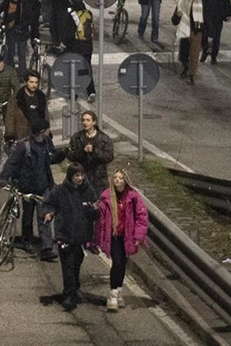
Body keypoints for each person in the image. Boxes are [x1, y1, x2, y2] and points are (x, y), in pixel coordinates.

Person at [0, 116, 60, 260]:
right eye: (47, 129)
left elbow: (52, 157)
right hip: (27, 187)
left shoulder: (47, 142)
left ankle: (46, 248)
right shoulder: (24, 146)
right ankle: (27, 240)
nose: (49, 131)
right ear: (42, 131)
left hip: (43, 186)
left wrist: (64, 155)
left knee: (43, 216)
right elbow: (11, 163)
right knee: (27, 216)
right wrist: (4, 178)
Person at [43, 163, 100, 311]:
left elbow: (95, 212)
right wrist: (48, 214)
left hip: (82, 237)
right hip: (65, 235)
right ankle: (69, 295)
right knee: (67, 266)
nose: (80, 178)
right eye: (76, 175)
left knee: (76, 265)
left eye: (81, 175)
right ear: (70, 176)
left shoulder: (88, 191)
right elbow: (49, 204)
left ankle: (73, 289)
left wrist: (94, 210)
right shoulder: (60, 191)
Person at [96, 168, 150, 312]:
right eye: (115, 178)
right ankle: (113, 294)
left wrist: (138, 236)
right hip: (113, 235)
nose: (117, 180)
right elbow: (100, 220)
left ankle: (118, 291)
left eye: (120, 178)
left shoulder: (133, 197)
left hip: (126, 236)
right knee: (117, 262)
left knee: (122, 264)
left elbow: (141, 217)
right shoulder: (106, 196)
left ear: (125, 180)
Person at [65, 110, 114, 193]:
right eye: (83, 120)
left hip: (99, 180)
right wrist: (82, 152)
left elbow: (109, 156)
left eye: (88, 120)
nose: (85, 123)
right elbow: (70, 155)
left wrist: (94, 151)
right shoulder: (76, 137)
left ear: (94, 122)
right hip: (81, 178)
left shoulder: (104, 139)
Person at [200, 0, 231, 66]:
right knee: (204, 35)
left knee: (216, 36)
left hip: (218, 14)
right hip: (205, 14)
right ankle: (205, 51)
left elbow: (227, 0)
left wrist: (229, 14)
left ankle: (214, 56)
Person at [174, 0, 204, 85]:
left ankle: (192, 75)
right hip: (184, 31)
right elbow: (174, 20)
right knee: (183, 54)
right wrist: (178, 16)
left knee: (194, 55)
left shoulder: (200, 3)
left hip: (196, 32)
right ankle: (185, 67)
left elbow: (205, 18)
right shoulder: (181, 3)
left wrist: (209, 32)